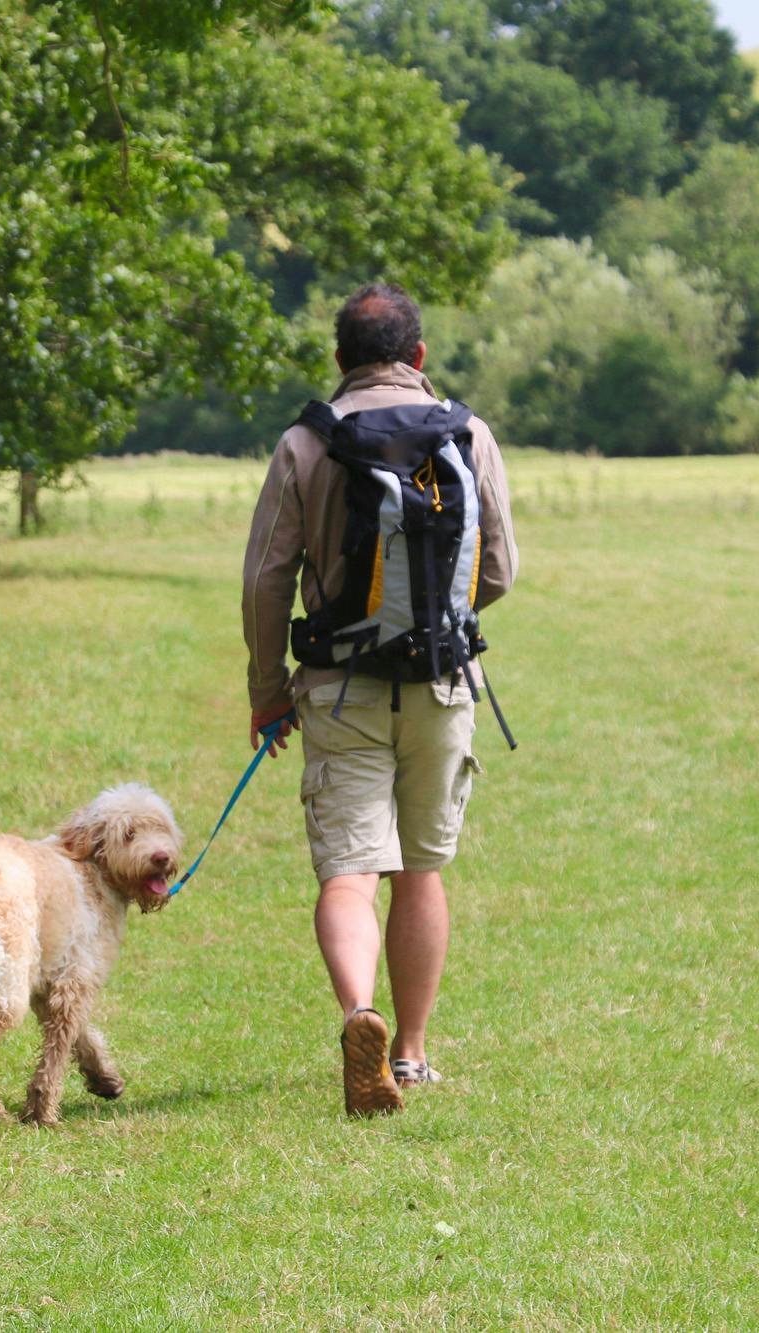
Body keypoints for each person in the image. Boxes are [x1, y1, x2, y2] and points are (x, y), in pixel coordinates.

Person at [240, 282, 518, 1116]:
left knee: (350, 875)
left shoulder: (305, 442)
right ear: (418, 355)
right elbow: (499, 570)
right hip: (439, 686)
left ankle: (359, 1010)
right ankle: (411, 1053)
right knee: (422, 873)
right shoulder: (468, 432)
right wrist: (436, 625)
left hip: (338, 688)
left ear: (340, 359)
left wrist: (267, 691)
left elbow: (265, 579)